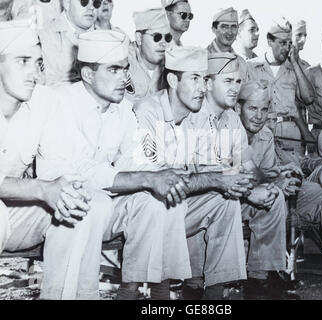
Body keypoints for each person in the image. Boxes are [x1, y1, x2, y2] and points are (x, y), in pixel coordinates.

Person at [35, 30, 193, 300]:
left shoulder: (123, 109)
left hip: (104, 205)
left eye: (125, 69)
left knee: (160, 200)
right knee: (94, 202)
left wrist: (160, 173)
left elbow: (136, 158)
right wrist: (145, 177)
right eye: (114, 70)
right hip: (60, 206)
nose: (124, 78)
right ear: (87, 74)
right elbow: (79, 171)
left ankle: (140, 290)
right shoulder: (60, 101)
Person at [0, 19, 113, 300]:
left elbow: (62, 162)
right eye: (22, 61)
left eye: (37, 63)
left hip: (17, 214)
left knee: (86, 203)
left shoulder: (44, 100)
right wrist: (42, 188)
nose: (33, 74)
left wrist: (66, 189)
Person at [133, 46, 253, 300]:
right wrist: (217, 179)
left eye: (205, 79)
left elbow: (211, 169)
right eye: (195, 78)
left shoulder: (194, 117)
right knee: (165, 208)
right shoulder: (149, 112)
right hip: (141, 209)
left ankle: (214, 295)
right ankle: (159, 295)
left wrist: (228, 182)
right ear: (174, 80)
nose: (202, 87)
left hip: (177, 206)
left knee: (225, 201)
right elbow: (155, 183)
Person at [238, 82, 322, 286]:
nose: (260, 116)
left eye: (265, 110)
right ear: (239, 109)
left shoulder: (266, 136)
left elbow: (291, 164)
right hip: (251, 197)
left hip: (287, 191)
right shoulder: (231, 133)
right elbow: (247, 176)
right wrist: (279, 177)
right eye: (253, 109)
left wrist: (306, 166)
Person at [193, 55, 290, 300]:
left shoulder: (231, 119)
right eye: (227, 81)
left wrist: (262, 185)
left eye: (237, 81)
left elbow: (249, 168)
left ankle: (259, 279)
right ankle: (205, 287)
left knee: (273, 196)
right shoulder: (194, 116)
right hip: (196, 198)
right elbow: (203, 176)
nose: (234, 87)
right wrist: (249, 190)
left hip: (230, 193)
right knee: (224, 202)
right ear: (207, 83)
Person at [247, 17, 315, 167]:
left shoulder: (298, 69)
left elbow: (308, 98)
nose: (287, 48)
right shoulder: (251, 67)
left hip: (291, 133)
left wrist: (295, 64)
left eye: (290, 43)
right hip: (261, 130)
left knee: (294, 175)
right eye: (282, 43)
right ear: (269, 41)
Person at [38, 0, 101, 85]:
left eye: (96, 2)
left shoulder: (107, 38)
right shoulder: (45, 38)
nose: (91, 7)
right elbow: (47, 89)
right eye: (84, 1)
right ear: (67, 3)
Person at [127, 8, 171, 101]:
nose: (163, 43)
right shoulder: (122, 63)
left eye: (167, 37)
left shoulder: (171, 64)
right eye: (157, 37)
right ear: (139, 38)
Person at [207, 7, 248, 80]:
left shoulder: (241, 62)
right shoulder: (203, 58)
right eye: (224, 27)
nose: (230, 32)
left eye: (233, 27)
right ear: (214, 29)